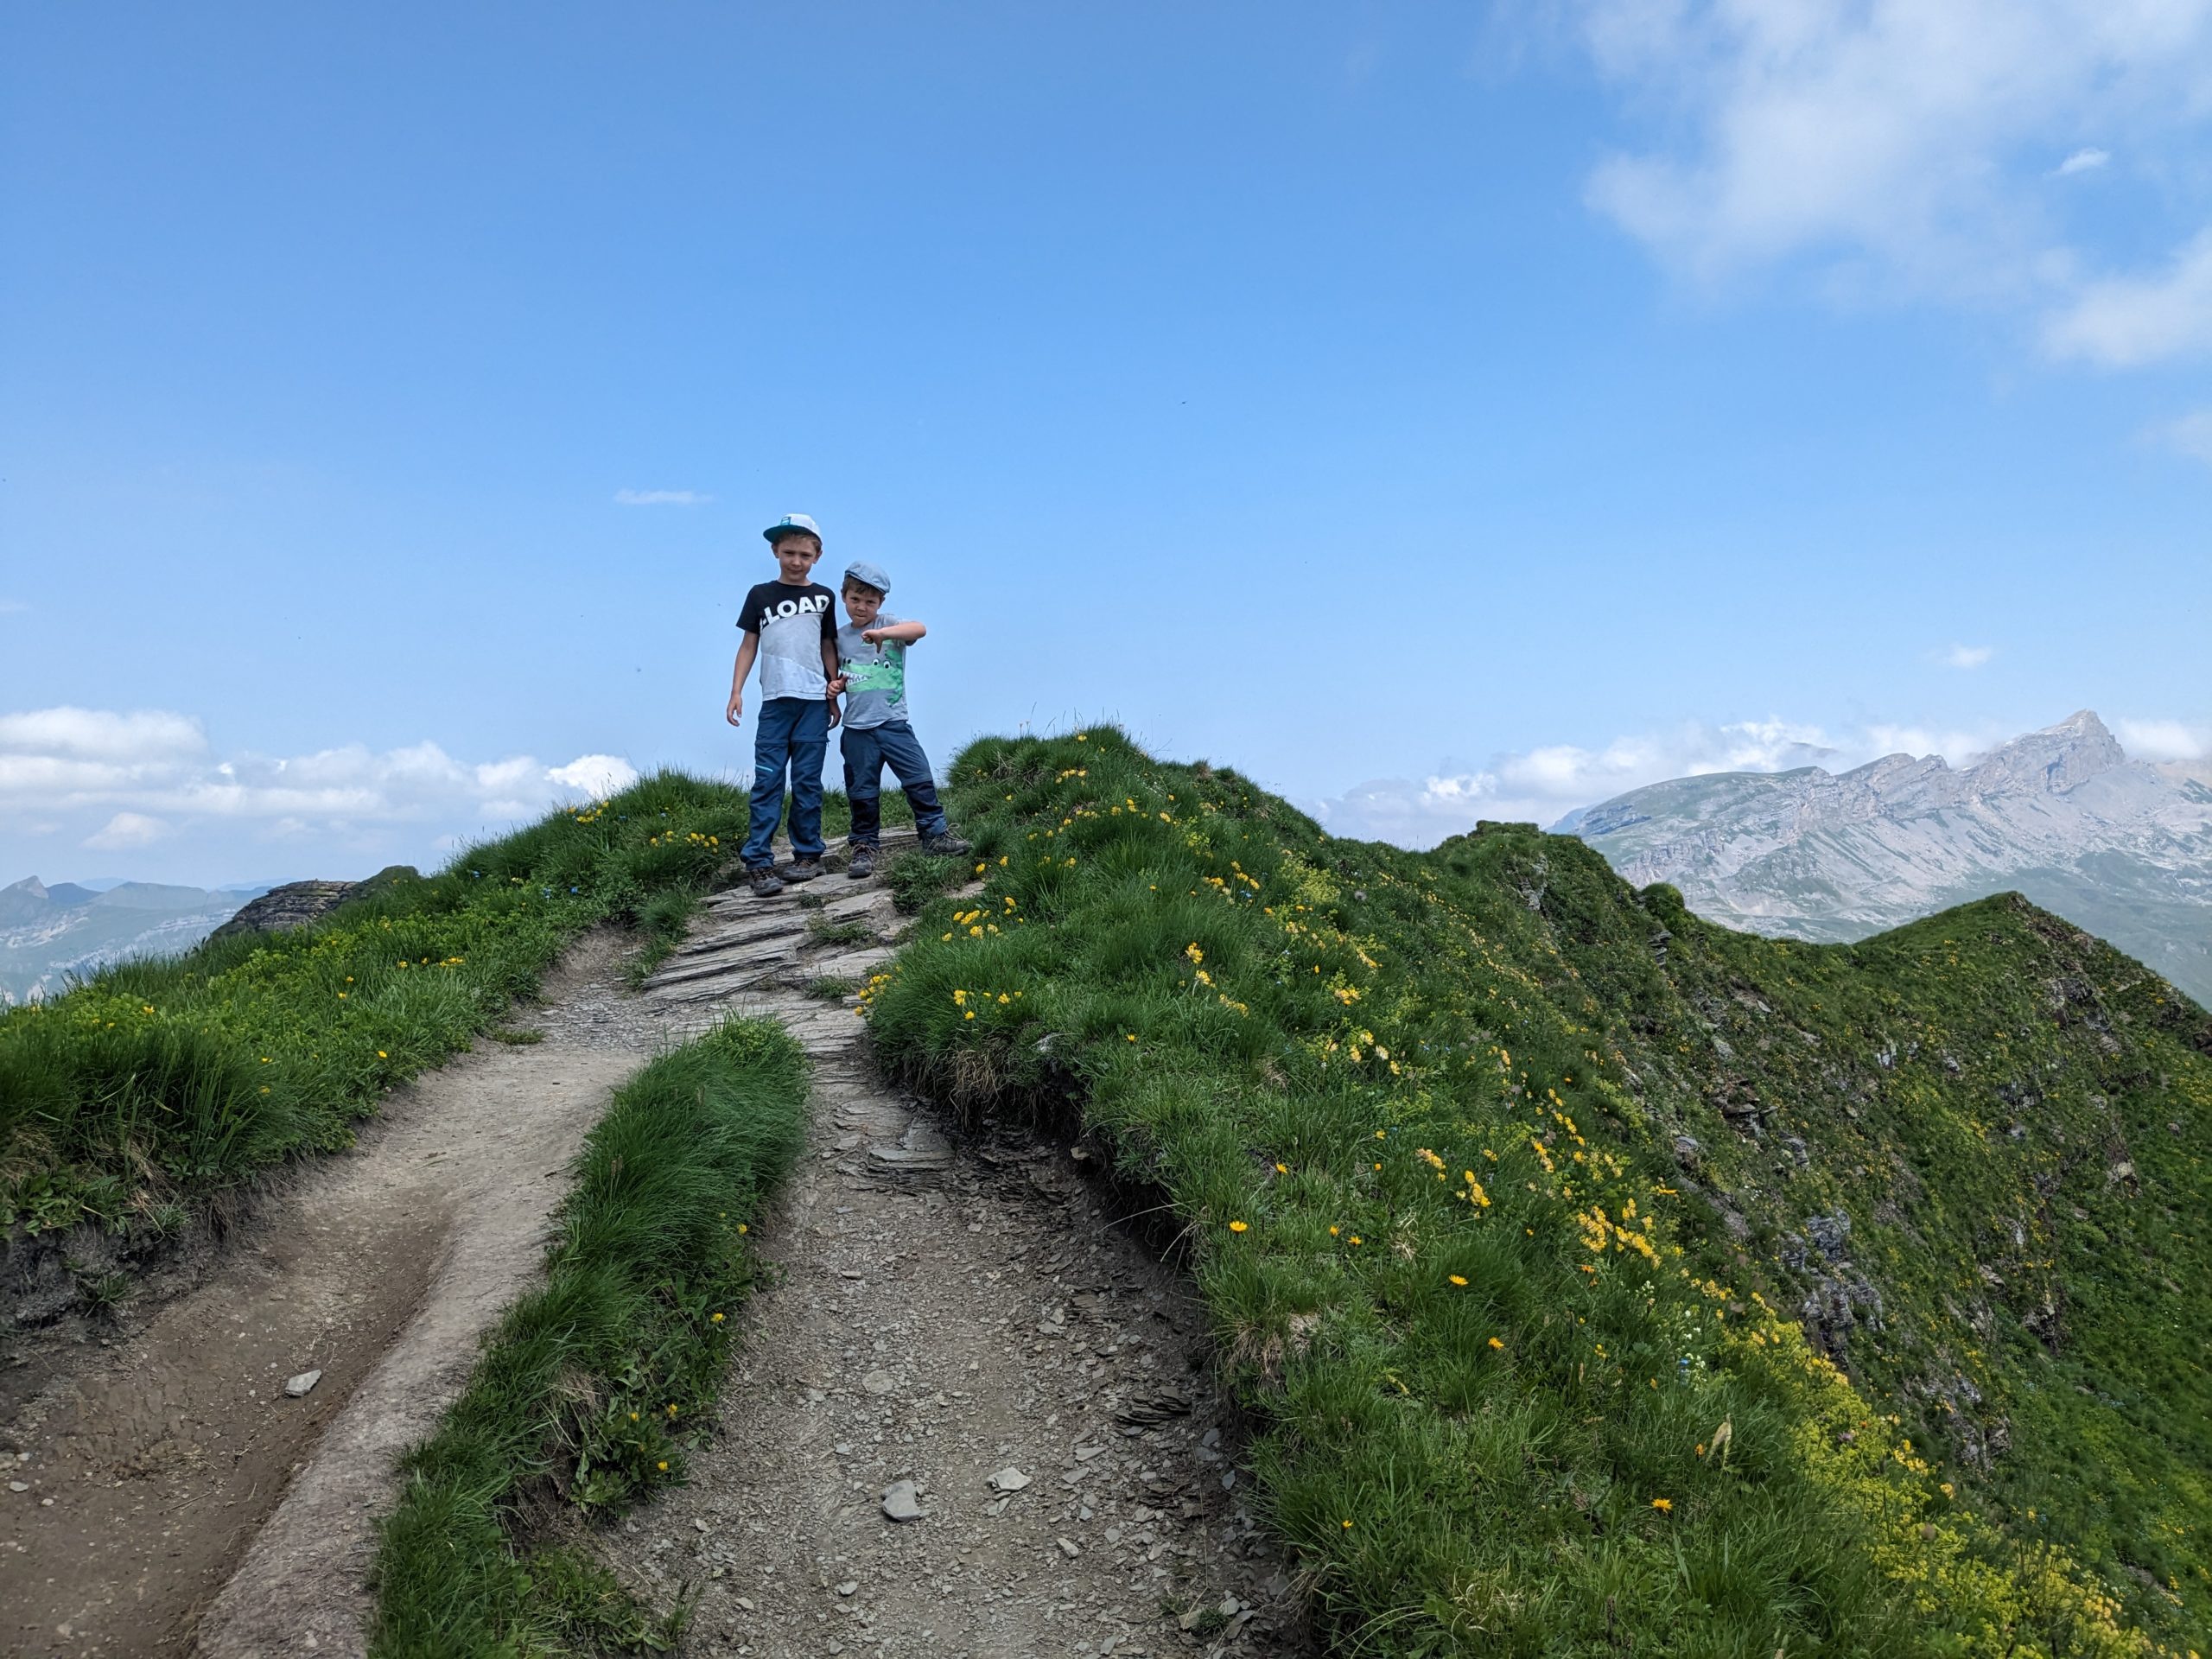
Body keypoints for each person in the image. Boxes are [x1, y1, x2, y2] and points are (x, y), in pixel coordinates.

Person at [727, 513, 842, 898]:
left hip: (813, 702)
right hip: (775, 702)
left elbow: (828, 645)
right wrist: (736, 691)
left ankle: (808, 855)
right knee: (768, 781)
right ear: (775, 551)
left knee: (807, 781)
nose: (796, 561)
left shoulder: (824, 597)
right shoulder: (760, 595)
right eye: (789, 552)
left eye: (805, 554)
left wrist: (834, 689)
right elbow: (748, 645)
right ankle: (758, 863)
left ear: (817, 556)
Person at [832, 559, 969, 879]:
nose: (862, 606)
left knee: (918, 776)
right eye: (855, 599)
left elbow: (919, 629)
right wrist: (836, 687)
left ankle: (934, 835)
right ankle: (864, 846)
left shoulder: (890, 625)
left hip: (894, 722)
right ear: (844, 596)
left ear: (881, 602)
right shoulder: (839, 638)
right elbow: (837, 675)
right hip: (857, 728)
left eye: (870, 601)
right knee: (861, 789)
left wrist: (883, 632)